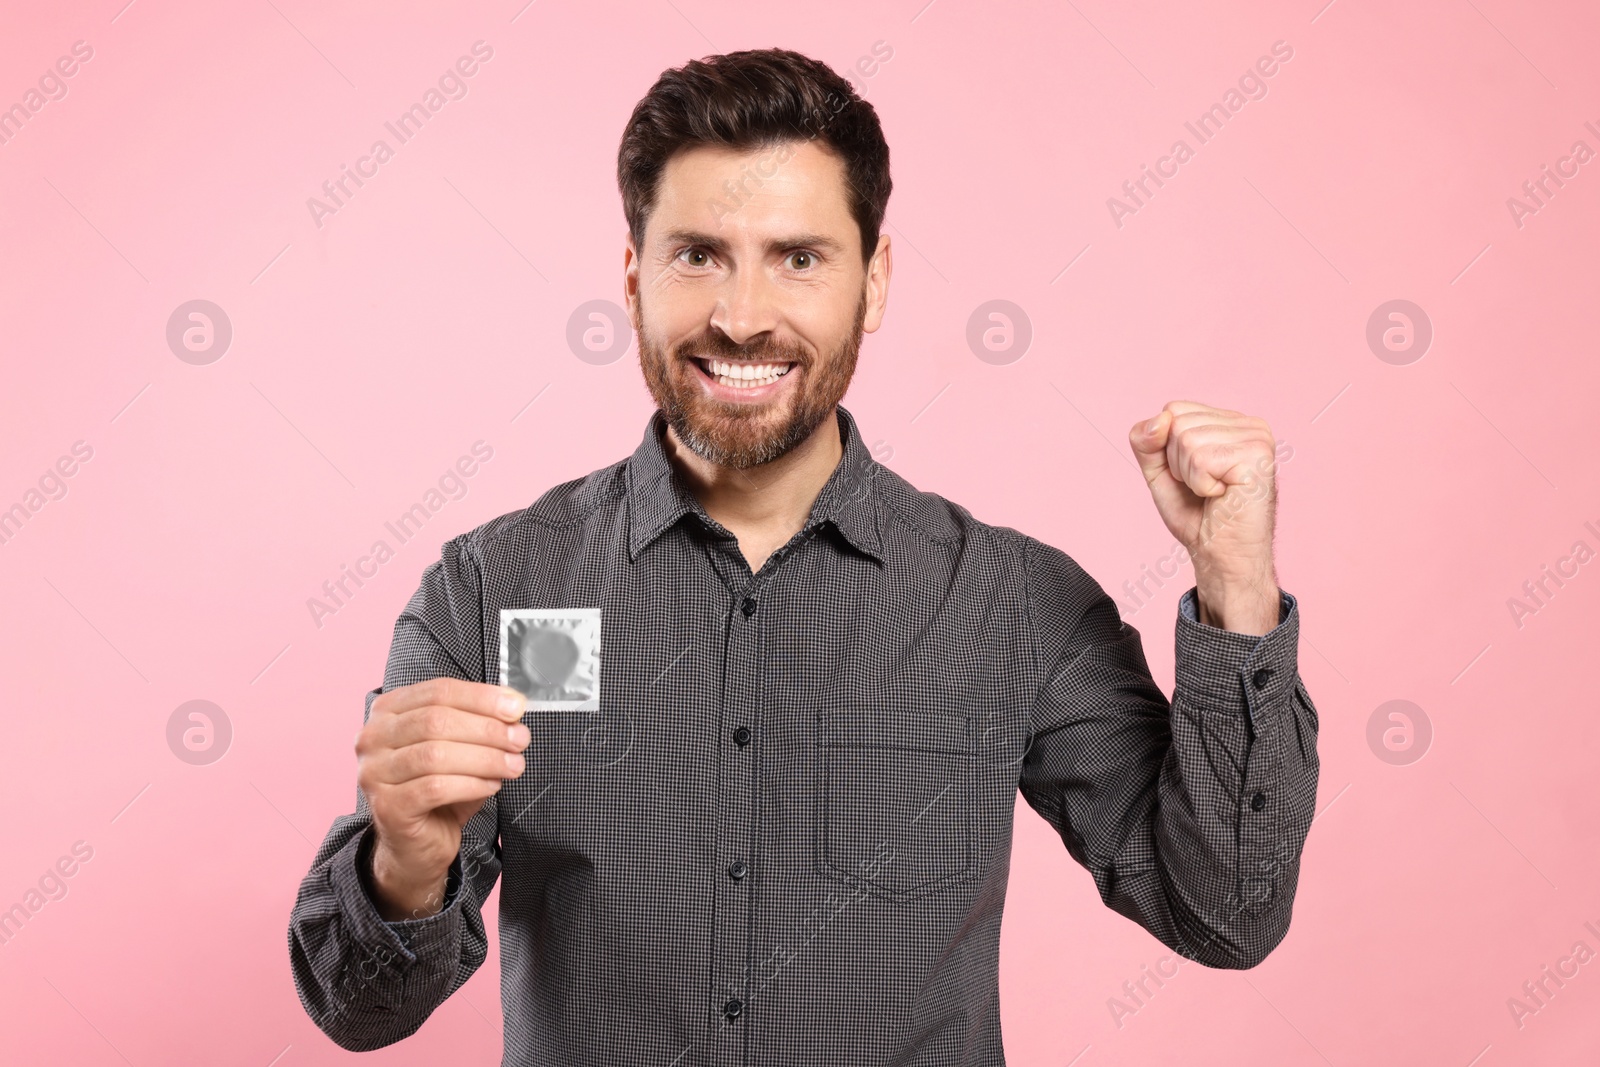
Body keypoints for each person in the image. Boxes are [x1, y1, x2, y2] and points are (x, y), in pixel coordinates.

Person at [288, 47, 1320, 1065]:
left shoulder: (1010, 600)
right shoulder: (492, 592)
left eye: (798, 256)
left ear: (872, 283)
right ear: (633, 277)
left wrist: (1235, 585)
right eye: (698, 254)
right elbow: (356, 1008)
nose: (741, 318)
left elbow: (1223, 913)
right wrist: (407, 860)